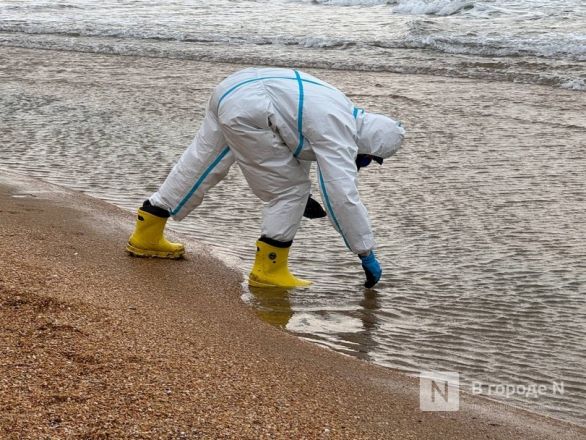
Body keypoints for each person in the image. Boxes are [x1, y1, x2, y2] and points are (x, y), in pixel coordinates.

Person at [126, 67, 405, 288]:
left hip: (232, 88)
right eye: (368, 158)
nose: (364, 163)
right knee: (290, 191)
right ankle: (269, 270)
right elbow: (340, 196)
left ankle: (147, 231)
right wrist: (365, 251)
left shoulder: (339, 105)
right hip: (253, 107)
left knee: (200, 163)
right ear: (368, 144)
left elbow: (289, 137)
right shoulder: (341, 130)